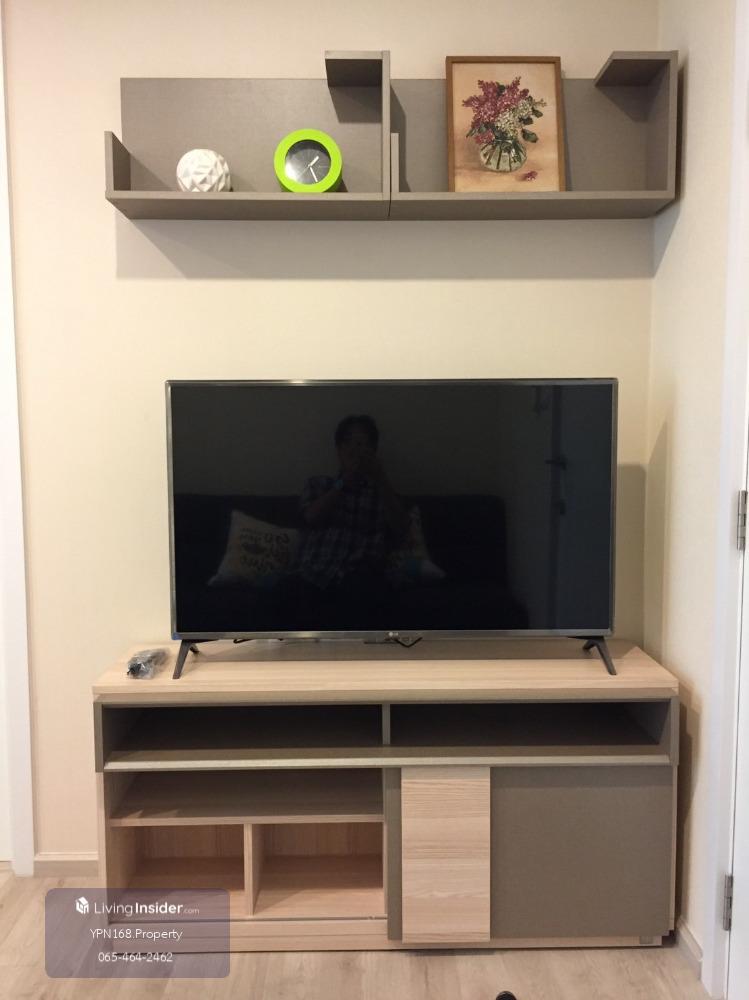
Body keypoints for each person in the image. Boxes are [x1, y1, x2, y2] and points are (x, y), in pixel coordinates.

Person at [285, 414, 408, 628]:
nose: (354, 449)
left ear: (373, 450)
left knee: (368, 592)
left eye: (361, 443)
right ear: (338, 449)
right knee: (287, 592)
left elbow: (401, 530)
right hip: (313, 571)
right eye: (348, 442)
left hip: (360, 576)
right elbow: (310, 517)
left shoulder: (381, 493)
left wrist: (381, 479)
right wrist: (343, 484)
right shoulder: (319, 484)